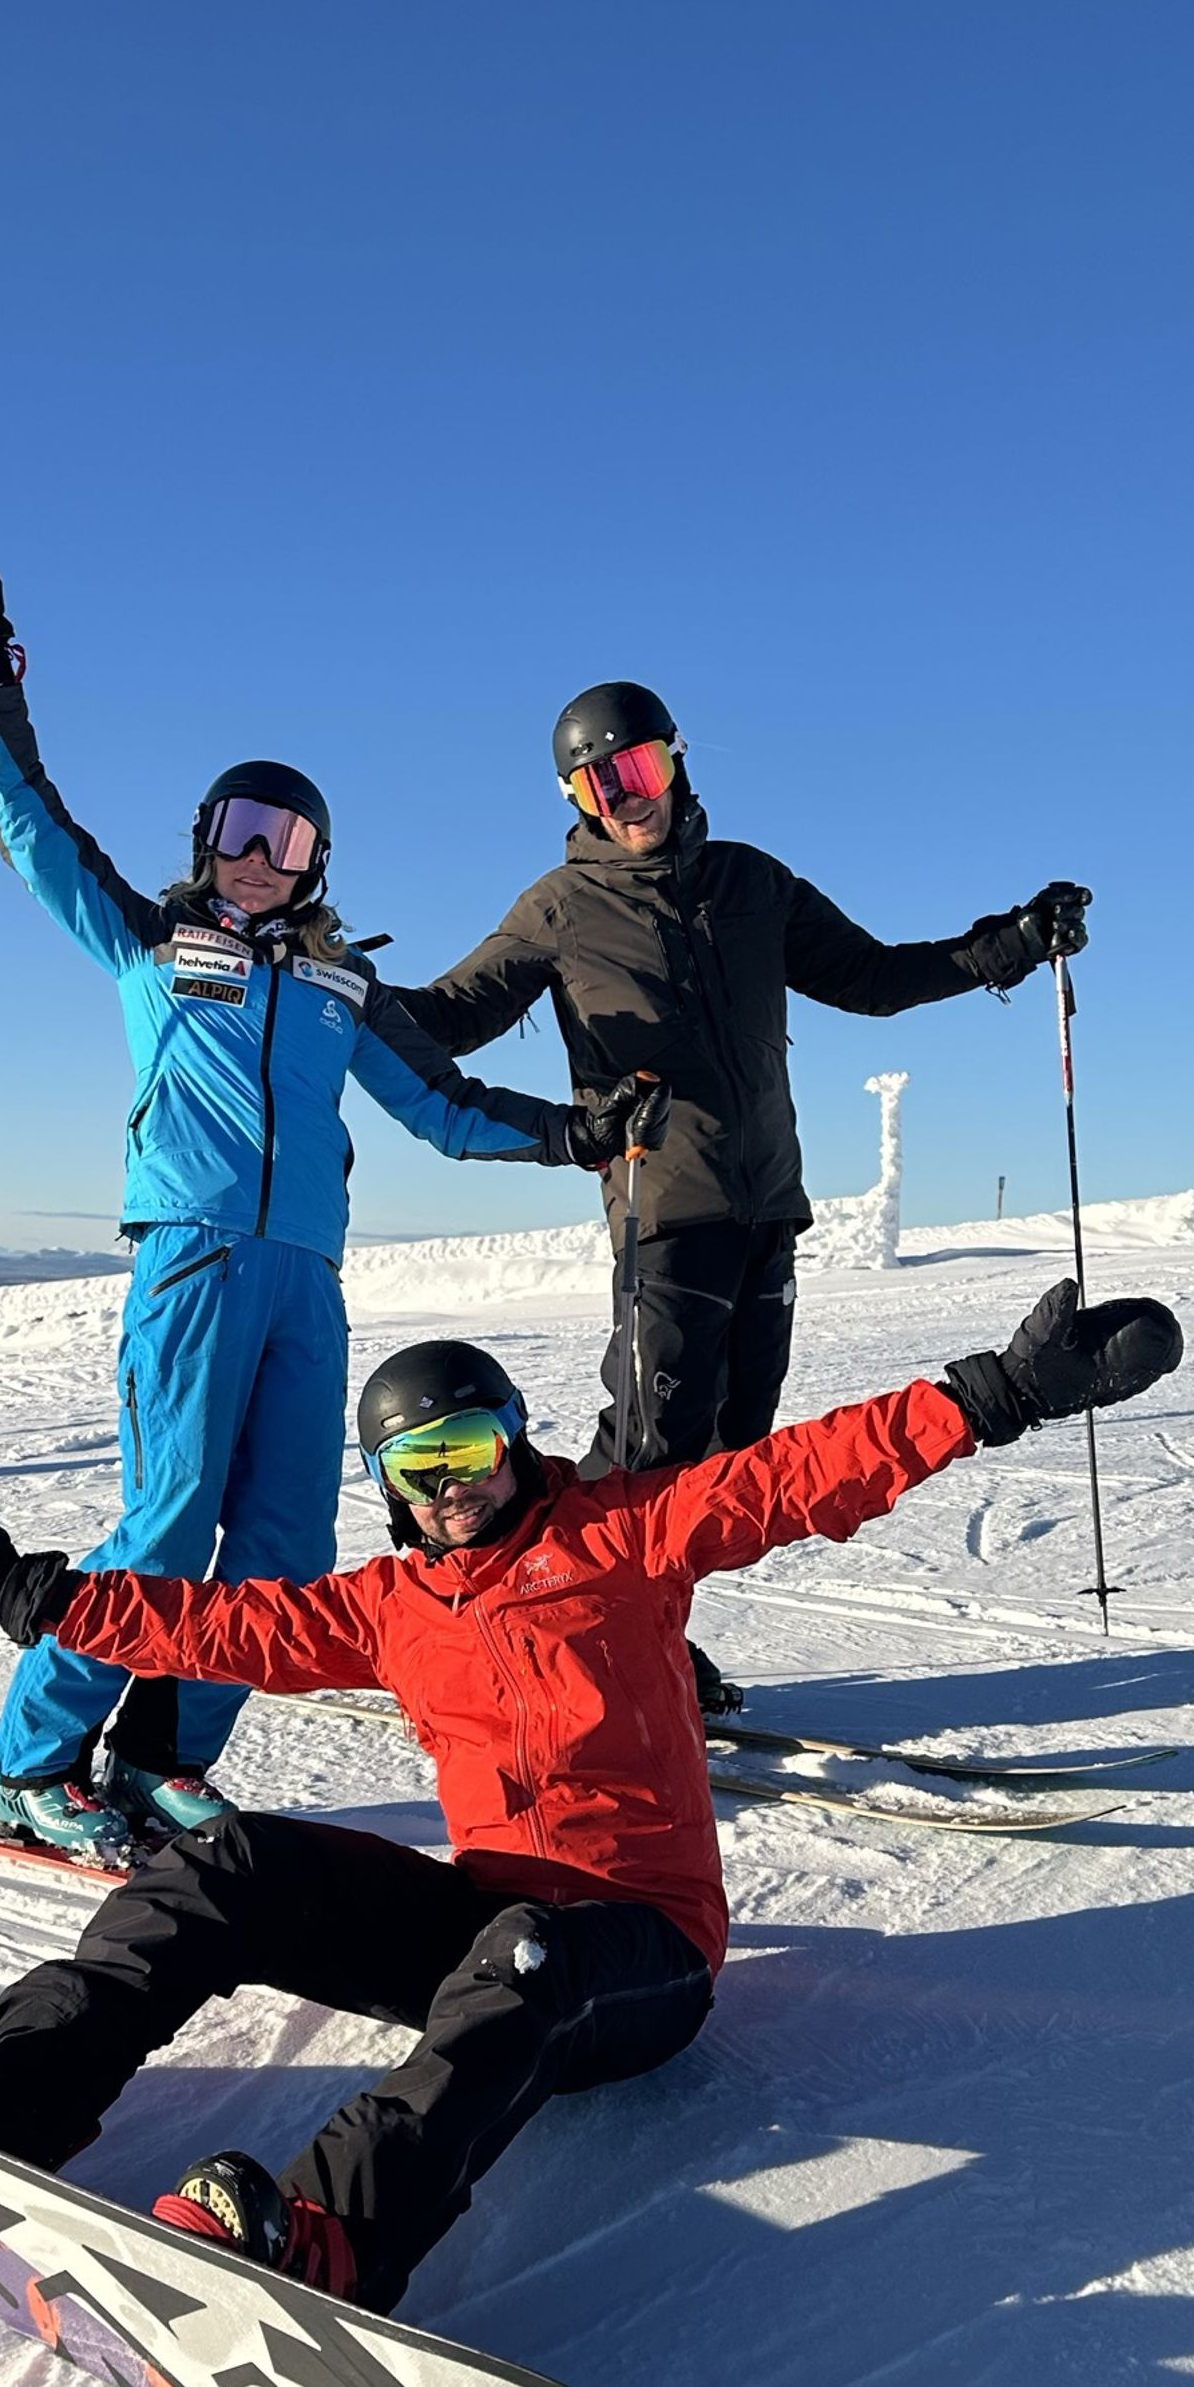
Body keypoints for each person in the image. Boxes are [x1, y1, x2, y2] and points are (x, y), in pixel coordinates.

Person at [0, 1274, 1182, 2317]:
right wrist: (25, 1596)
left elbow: (799, 1477)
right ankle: (4, 2097)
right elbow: (218, 1625)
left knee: (528, 1959)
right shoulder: (392, 1606)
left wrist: (997, 1390)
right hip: (487, 1923)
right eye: (421, 1471)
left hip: (639, 1953)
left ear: (517, 1440)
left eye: (472, 1450)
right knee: (224, 1865)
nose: (453, 1488)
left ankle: (335, 2236)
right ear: (388, 1490)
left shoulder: (626, 1539)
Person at [0, 557, 660, 1866]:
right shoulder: (153, 946)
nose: (264, 860)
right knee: (166, 1522)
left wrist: (573, 1137)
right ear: (206, 840)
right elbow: (35, 830)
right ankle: (33, 1763)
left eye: (293, 841)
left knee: (280, 1541)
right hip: (194, 1265)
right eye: (243, 832)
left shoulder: (336, 989)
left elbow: (441, 1106)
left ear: (320, 866)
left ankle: (163, 1759)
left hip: (305, 1280)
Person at [378, 680, 1096, 1712]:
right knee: (646, 1453)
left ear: (676, 763)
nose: (628, 797)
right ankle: (560, 1621)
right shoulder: (560, 907)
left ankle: (646, 1625)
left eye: (642, 768)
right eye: (601, 780)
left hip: (769, 1209)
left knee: (729, 1457)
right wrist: (340, 987)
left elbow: (877, 976)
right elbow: (449, 1015)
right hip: (663, 1217)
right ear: (577, 797)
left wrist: (1015, 941)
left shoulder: (753, 884)